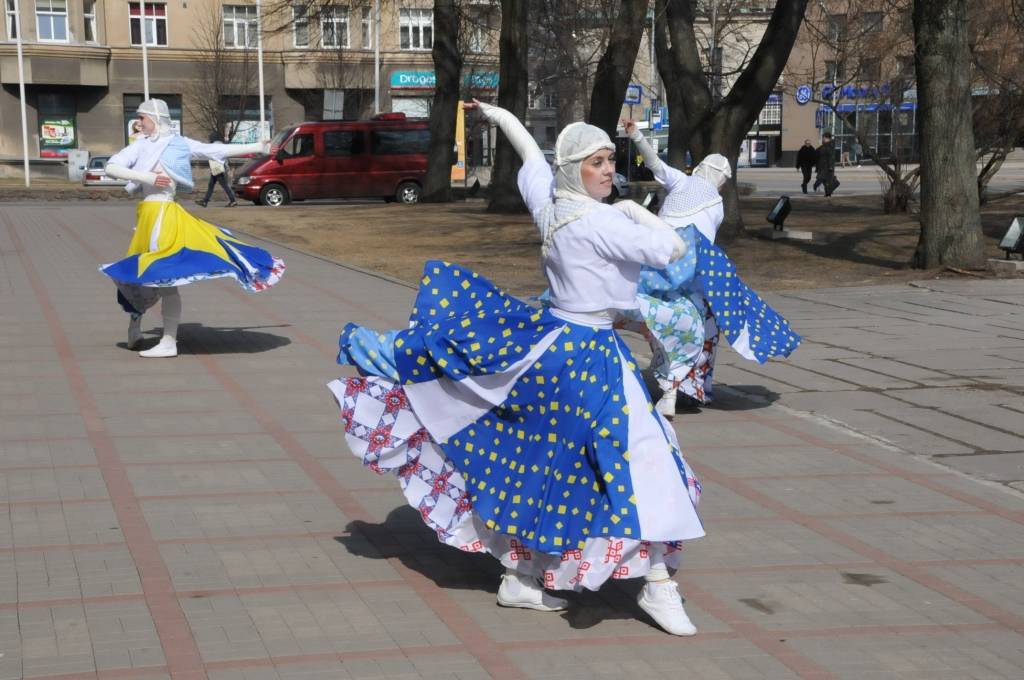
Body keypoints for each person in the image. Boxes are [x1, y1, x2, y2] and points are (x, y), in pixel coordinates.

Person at [327, 100, 705, 636]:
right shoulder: (601, 219)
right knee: (649, 460)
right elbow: (671, 250)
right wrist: (635, 209)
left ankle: (522, 579)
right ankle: (659, 586)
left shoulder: (551, 206)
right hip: (589, 361)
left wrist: (502, 117)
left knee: (544, 466)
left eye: (609, 160)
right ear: (575, 169)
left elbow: (531, 158)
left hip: (550, 346)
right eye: (598, 162)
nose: (609, 171)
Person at [623, 122, 801, 417]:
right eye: (721, 177)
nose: (718, 181)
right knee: (703, 324)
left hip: (662, 263)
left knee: (668, 320)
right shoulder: (712, 200)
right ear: (719, 177)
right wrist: (637, 136)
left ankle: (675, 383)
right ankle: (684, 386)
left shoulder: (683, 183)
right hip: (689, 269)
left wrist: (637, 136)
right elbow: (704, 243)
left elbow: (654, 162)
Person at [99, 99, 285, 358]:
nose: (138, 123)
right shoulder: (140, 146)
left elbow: (214, 151)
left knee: (165, 277)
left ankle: (168, 341)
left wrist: (256, 146)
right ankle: (135, 327)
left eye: (142, 118)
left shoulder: (178, 144)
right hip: (147, 217)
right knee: (136, 275)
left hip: (166, 215)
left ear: (156, 117)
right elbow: (111, 167)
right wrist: (149, 177)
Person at [195, 132, 238, 208]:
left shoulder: (213, 146)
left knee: (224, 185)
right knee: (211, 185)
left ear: (212, 139)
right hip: (217, 168)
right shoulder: (221, 146)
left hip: (216, 168)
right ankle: (205, 201)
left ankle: (233, 200)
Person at [814, 132, 837, 196]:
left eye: (823, 138)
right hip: (822, 165)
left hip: (826, 166)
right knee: (825, 181)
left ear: (827, 138)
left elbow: (831, 157)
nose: (822, 139)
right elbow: (818, 152)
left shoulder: (829, 146)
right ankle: (828, 193)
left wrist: (830, 167)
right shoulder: (825, 145)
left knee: (823, 180)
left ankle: (830, 190)